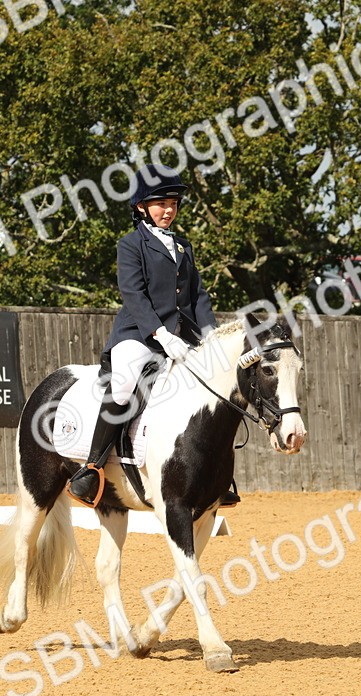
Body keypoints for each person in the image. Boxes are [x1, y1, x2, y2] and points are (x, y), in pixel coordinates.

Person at [67, 164, 239, 508]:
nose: (169, 209)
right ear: (141, 207)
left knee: (216, 389)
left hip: (183, 336)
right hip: (138, 335)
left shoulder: (183, 246)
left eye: (173, 203)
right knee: (124, 382)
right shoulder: (131, 245)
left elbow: (197, 298)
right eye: (161, 203)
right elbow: (134, 294)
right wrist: (160, 333)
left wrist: (212, 341)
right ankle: (92, 467)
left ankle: (217, 475)